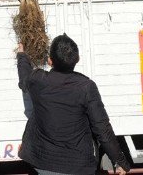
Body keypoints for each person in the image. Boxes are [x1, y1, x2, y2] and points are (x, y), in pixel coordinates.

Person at [17, 34, 131, 175]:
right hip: (78, 166)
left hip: (42, 163)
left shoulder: (38, 80)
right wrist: (119, 161)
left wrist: (22, 54)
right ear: (77, 59)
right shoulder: (86, 87)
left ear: (50, 61)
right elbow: (102, 128)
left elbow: (24, 79)